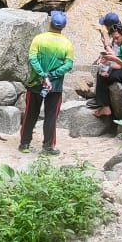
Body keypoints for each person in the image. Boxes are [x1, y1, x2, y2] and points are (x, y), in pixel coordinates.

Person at [18, 10, 75, 155]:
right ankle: (48, 146)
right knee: (51, 116)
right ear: (64, 26)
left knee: (30, 113)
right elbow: (68, 64)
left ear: (50, 23)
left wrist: (43, 75)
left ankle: (24, 144)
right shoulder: (67, 44)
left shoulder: (39, 39)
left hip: (36, 83)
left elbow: (32, 59)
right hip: (55, 86)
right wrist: (52, 75)